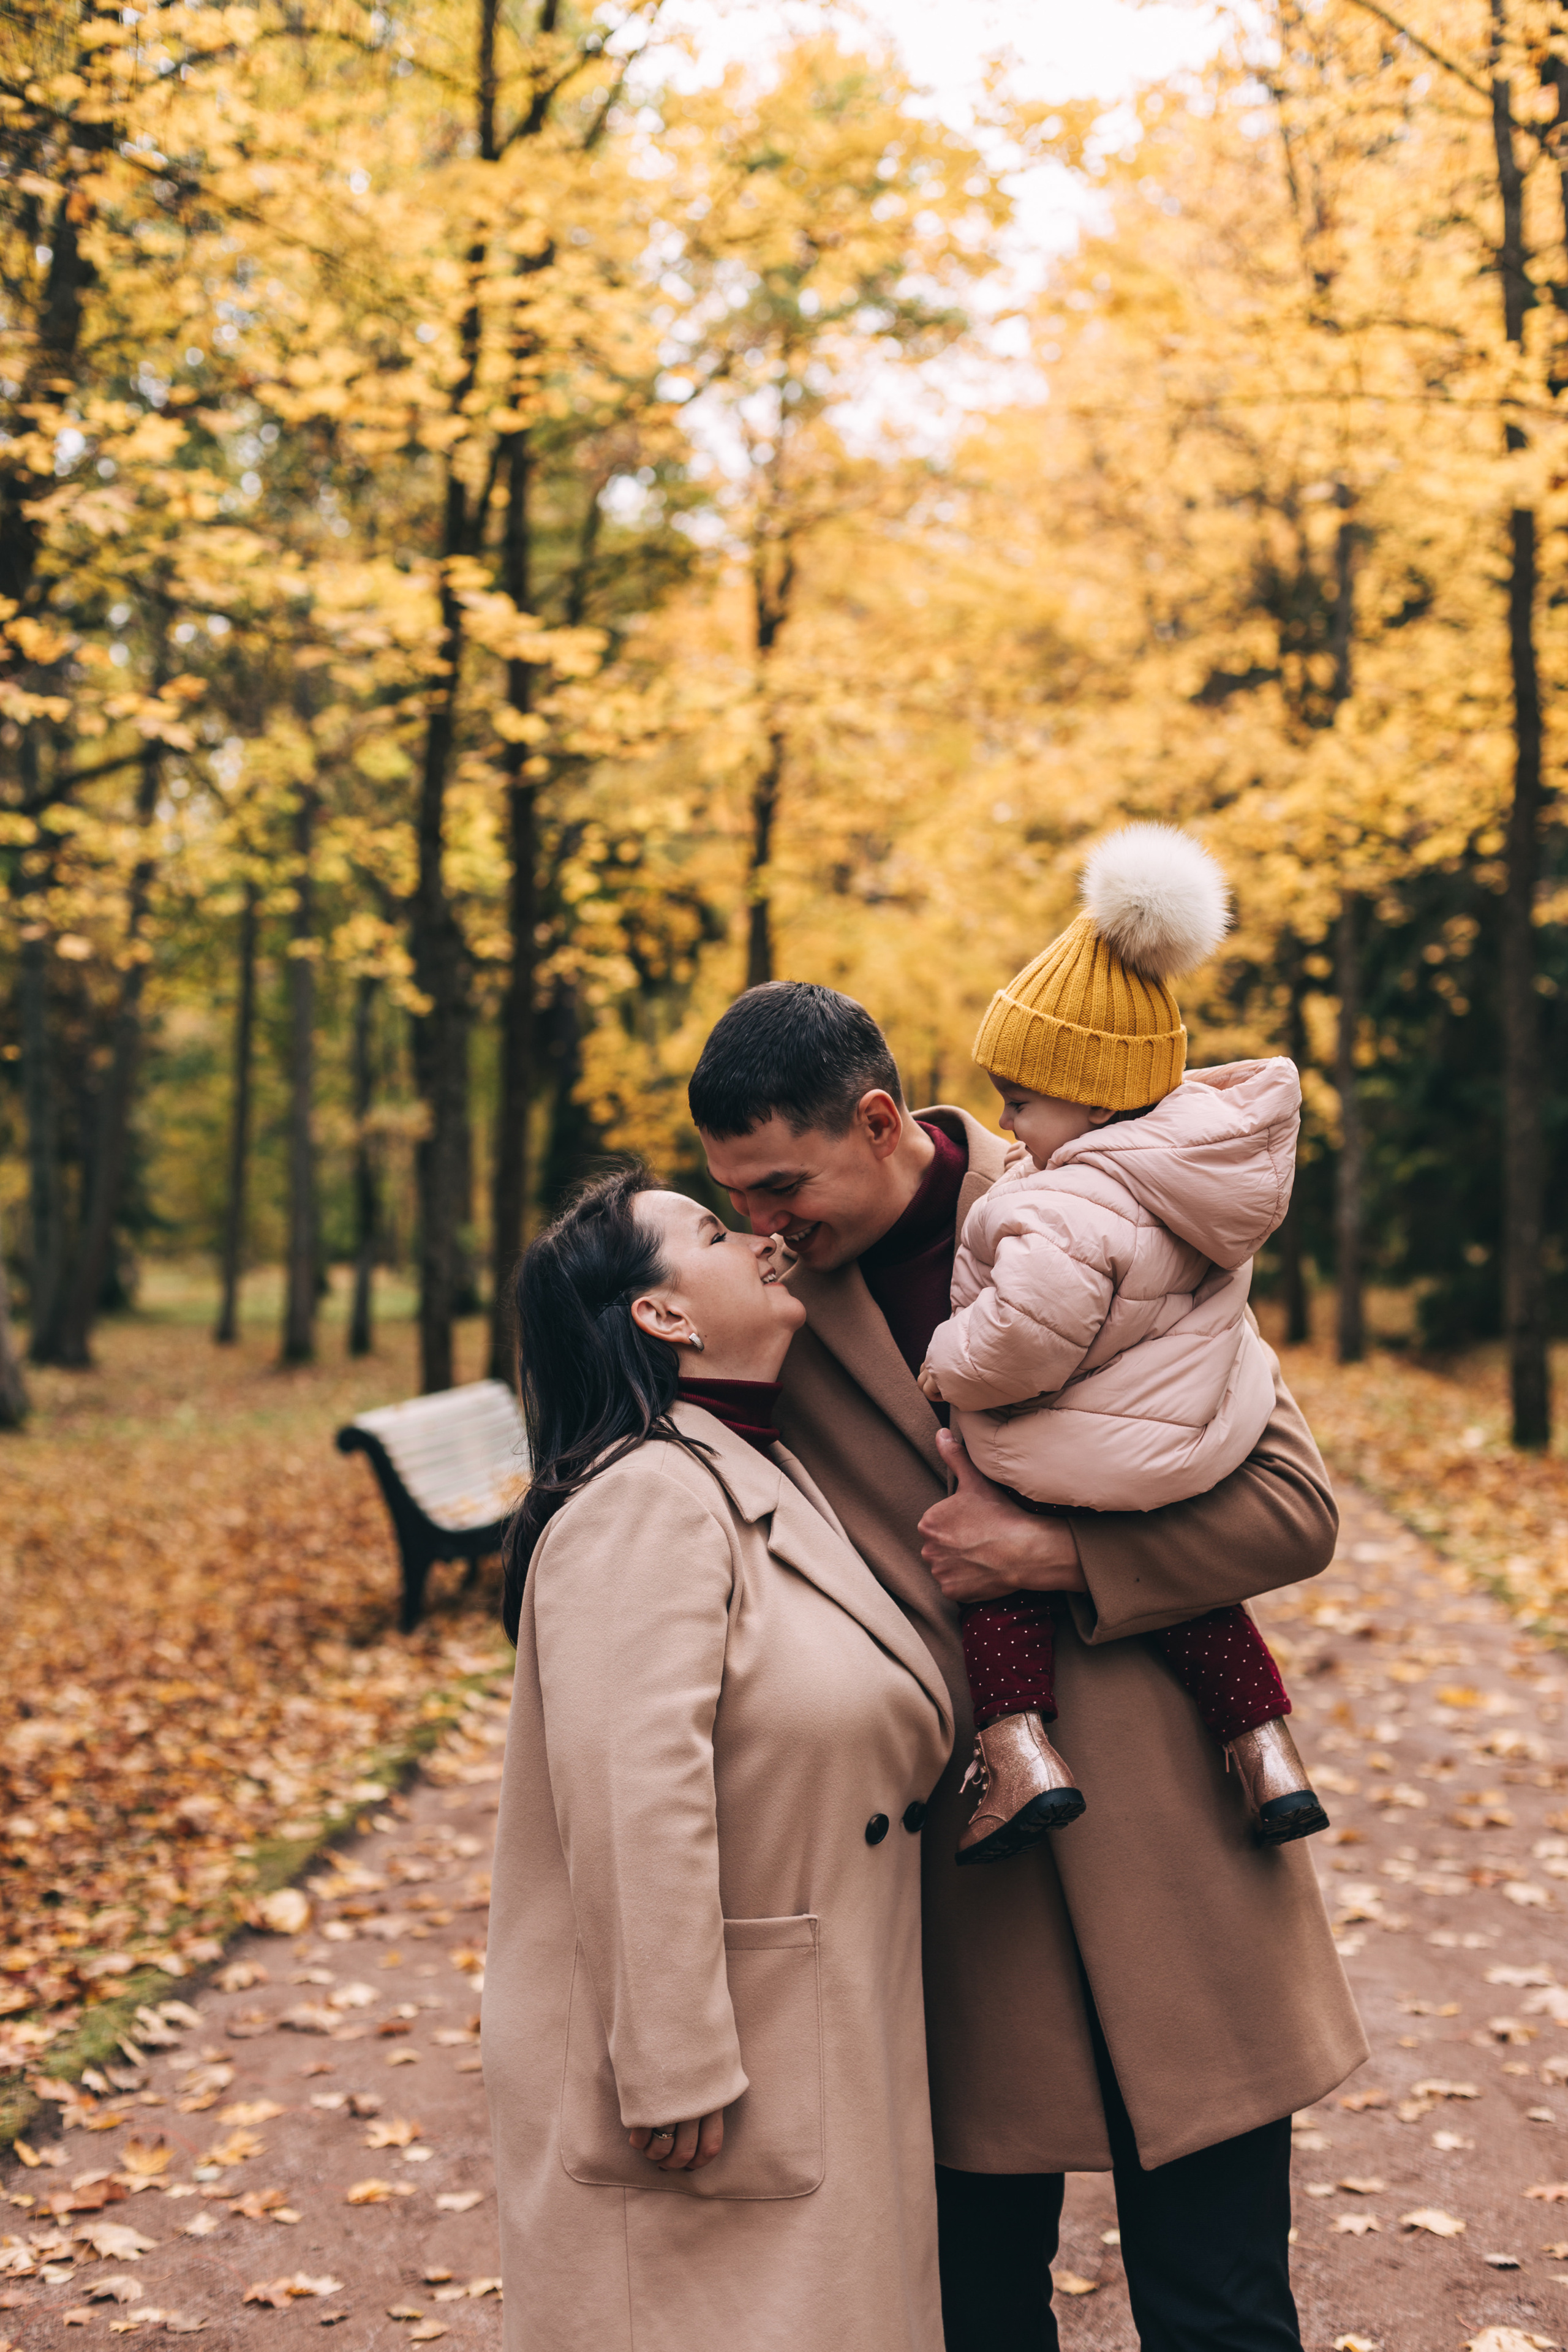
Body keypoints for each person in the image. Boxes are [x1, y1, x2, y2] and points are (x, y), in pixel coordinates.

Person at [689, 978, 1368, 2352]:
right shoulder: (760, 1302)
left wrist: (1055, 1559)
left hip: (1182, 1851)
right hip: (952, 1883)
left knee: (1222, 2312)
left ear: (877, 1122)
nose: (759, 1225)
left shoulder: (1098, 1202)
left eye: (778, 1185)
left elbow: (1294, 1509)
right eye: (734, 1196)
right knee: (971, 2313)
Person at [482, 1166, 953, 2352]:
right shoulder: (643, 1501)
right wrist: (671, 2060)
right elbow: (631, 1791)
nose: (759, 1241)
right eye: (708, 1230)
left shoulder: (753, 1471)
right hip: (715, 2085)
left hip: (818, 2044)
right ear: (661, 1314)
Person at [916, 824, 1327, 1863]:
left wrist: (945, 1359)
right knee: (1198, 1603)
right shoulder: (1196, 1181)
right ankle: (1264, 1747)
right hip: (1188, 1446)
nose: (1011, 1132)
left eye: (1023, 1104)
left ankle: (1017, 1750)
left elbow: (1027, 1341)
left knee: (998, 1577)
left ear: (1092, 1094)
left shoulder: (1073, 1200)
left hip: (1086, 1450)